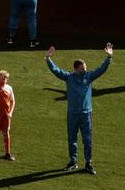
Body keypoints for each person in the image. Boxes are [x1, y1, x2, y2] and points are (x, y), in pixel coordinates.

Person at [45, 43, 113, 174]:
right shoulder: (69, 77)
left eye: (85, 67)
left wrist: (109, 57)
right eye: (83, 68)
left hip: (86, 114)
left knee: (87, 139)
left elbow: (101, 69)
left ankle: (88, 163)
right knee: (72, 138)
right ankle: (73, 161)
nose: (85, 70)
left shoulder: (89, 76)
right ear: (76, 69)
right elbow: (56, 70)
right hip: (73, 114)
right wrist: (48, 59)